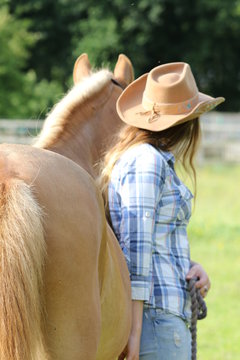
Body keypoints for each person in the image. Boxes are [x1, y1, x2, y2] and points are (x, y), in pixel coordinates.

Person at [98, 62, 224, 360]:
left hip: (159, 316)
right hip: (156, 319)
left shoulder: (143, 159)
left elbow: (149, 241)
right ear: (188, 124)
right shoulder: (147, 162)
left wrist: (189, 266)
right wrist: (135, 331)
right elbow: (137, 252)